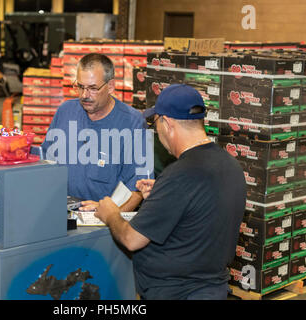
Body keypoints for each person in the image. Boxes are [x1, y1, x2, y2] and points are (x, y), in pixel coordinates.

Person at [95, 84, 246, 300]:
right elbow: (201, 211)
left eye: (154, 123)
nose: (156, 131)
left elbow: (131, 239)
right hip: (214, 289)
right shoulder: (230, 165)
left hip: (178, 293)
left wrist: (111, 213)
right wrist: (162, 197)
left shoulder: (179, 174)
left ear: (167, 123)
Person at [41, 53, 151, 212]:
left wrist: (108, 212)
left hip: (103, 223)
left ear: (111, 86)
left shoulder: (133, 123)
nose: (85, 95)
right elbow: (45, 163)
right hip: (60, 213)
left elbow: (138, 188)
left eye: (93, 88)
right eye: (80, 86)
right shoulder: (65, 112)